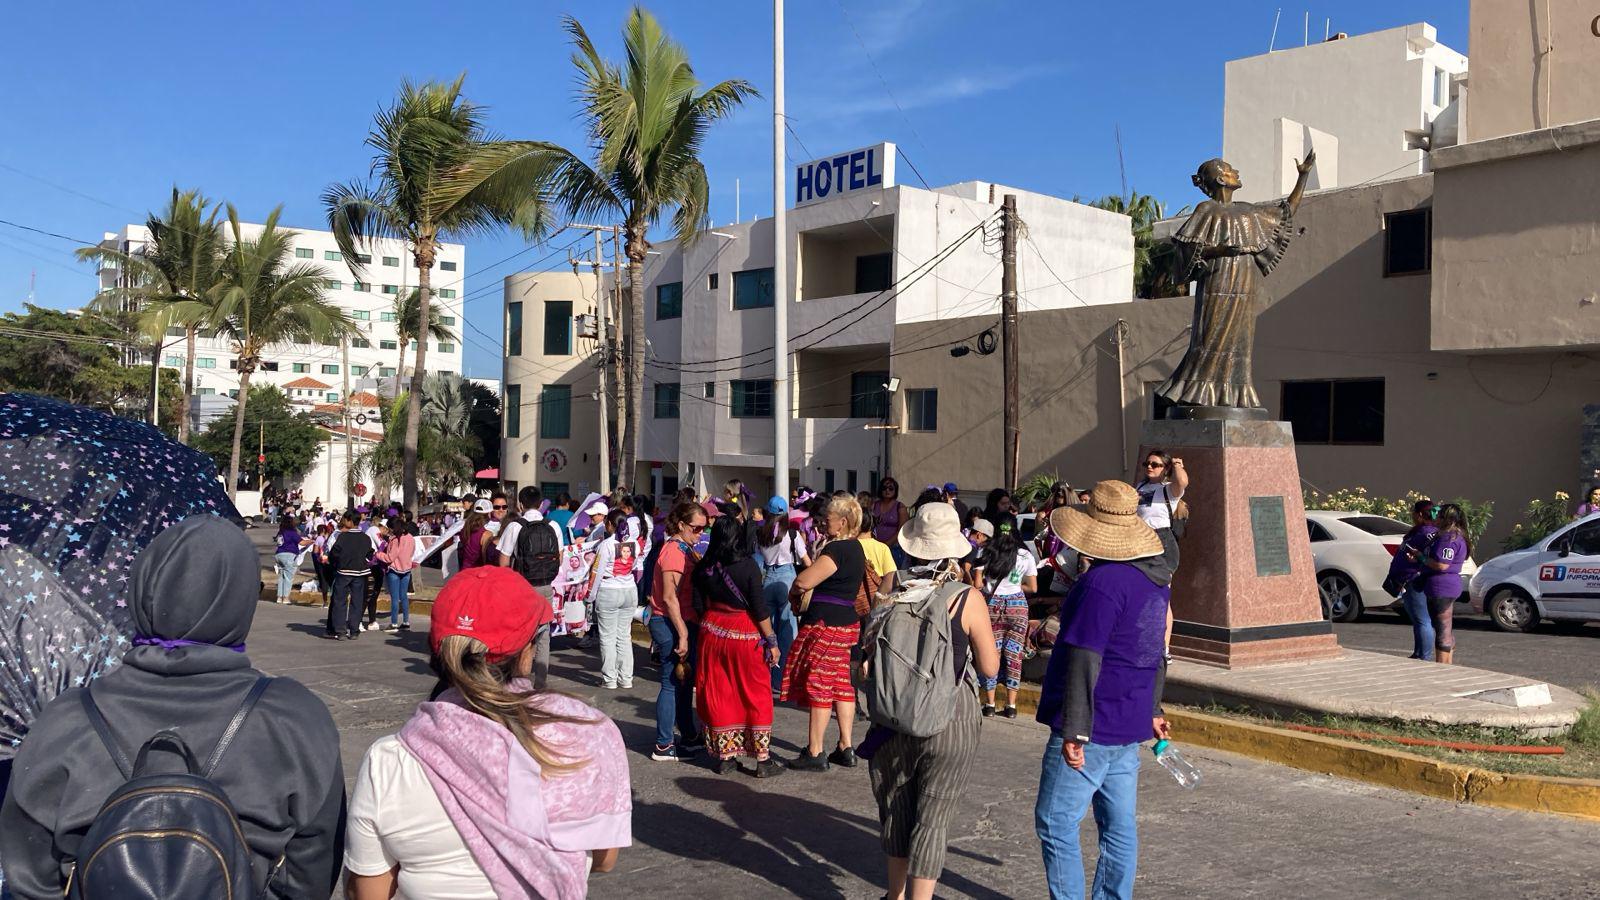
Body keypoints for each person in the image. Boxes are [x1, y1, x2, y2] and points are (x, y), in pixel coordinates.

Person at [0, 515, 345, 898]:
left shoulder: (67, 717)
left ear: (142, 589)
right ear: (242, 598)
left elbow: (30, 874)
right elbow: (312, 869)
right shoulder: (295, 716)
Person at [343, 567, 629, 899]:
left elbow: (369, 893)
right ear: (528, 651)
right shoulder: (584, 736)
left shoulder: (389, 760)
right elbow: (605, 860)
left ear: (437, 649)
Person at [1034, 481, 1173, 900]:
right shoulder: (1155, 582)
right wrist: (1152, 708)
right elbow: (1156, 651)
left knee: (1056, 821)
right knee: (1118, 829)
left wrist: (1074, 729)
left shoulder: (1102, 584)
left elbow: (1084, 657)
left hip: (1092, 723)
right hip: (1128, 723)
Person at [864, 501, 999, 900]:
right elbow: (990, 668)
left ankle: (895, 895)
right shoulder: (965, 598)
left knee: (897, 809)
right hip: (950, 718)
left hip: (892, 715)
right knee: (933, 818)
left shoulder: (890, 586)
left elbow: (868, 650)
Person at [691, 516, 784, 777]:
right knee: (755, 692)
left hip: (712, 633)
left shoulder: (703, 568)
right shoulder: (748, 567)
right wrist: (772, 641)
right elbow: (759, 607)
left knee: (720, 692)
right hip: (745, 635)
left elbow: (699, 607)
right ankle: (762, 760)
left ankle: (726, 756)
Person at [782, 493, 869, 772]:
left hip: (827, 624)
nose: (823, 523)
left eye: (828, 519)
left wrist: (795, 592)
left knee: (820, 683)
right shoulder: (857, 548)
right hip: (847, 622)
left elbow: (804, 579)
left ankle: (815, 750)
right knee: (842, 685)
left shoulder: (838, 549)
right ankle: (845, 745)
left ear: (843, 522)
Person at [650, 501, 708, 761]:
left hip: (683, 620)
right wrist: (683, 633)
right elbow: (669, 597)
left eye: (704, 529)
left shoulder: (684, 549)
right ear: (682, 525)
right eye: (696, 529)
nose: (700, 534)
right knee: (671, 682)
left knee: (684, 682)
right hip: (669, 622)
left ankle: (687, 734)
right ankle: (664, 743)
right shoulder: (673, 551)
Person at [978, 529, 1037, 718]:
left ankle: (989, 704)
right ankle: (1011, 706)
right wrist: (1015, 586)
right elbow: (1033, 587)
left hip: (992, 606)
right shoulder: (1025, 555)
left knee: (991, 654)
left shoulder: (985, 552)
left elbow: (978, 585)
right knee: (1014, 655)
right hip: (1017, 606)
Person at [1136, 448, 1188, 647]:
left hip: (1162, 542)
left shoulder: (1169, 488)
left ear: (1165, 468)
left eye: (1155, 464)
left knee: (1161, 595)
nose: (1149, 467)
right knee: (1141, 592)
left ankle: (1164, 645)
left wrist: (1177, 466)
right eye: (1147, 464)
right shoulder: (1140, 485)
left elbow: (1182, 482)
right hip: (1140, 541)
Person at [758, 497, 810, 693]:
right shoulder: (792, 534)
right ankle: (782, 682)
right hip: (787, 578)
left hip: (768, 578)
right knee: (787, 631)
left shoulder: (760, 533)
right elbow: (806, 561)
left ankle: (767, 678)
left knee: (768, 631)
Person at [589, 509, 642, 690]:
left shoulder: (606, 545)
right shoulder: (635, 543)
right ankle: (626, 678)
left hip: (609, 591)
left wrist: (590, 595)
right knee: (624, 636)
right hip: (629, 590)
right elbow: (634, 566)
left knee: (608, 637)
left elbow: (597, 572)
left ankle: (609, 679)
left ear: (610, 524)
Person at [1418, 503, 1470, 665]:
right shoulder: (1458, 536)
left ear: (1446, 518)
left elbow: (1442, 565)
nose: (1436, 518)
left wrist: (1421, 558)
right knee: (1445, 628)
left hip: (1441, 586)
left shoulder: (1448, 538)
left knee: (1442, 630)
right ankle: (1448, 665)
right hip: (1449, 585)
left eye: (1439, 515)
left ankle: (1442, 668)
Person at [329, 510, 374, 641]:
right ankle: (354, 630)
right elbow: (370, 554)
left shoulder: (343, 537)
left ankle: (341, 630)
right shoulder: (365, 538)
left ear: (349, 521)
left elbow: (334, 554)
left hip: (344, 572)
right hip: (360, 573)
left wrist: (337, 564)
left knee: (340, 601)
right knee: (357, 601)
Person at [377, 515, 418, 631]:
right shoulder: (410, 537)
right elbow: (412, 552)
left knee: (395, 598)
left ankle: (394, 623)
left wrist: (377, 554)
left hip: (394, 570)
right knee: (403, 596)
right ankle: (406, 622)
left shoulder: (395, 540)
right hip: (406, 570)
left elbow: (390, 557)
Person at [870, 478, 910, 565]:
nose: (887, 490)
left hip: (894, 548)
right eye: (884, 488)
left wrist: (887, 544)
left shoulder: (900, 507)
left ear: (895, 490)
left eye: (891, 488)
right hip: (875, 547)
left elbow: (902, 530)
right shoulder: (874, 505)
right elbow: (869, 526)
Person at [458, 500, 500, 570]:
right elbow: (486, 558)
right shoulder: (487, 534)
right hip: (477, 572)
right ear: (489, 513)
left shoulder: (465, 529)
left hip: (464, 570)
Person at [273, 515, 306, 604]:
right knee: (288, 578)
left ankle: (279, 597)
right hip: (289, 555)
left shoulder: (281, 532)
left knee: (281, 577)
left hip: (279, 554)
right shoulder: (292, 532)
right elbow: (302, 542)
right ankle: (286, 597)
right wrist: (311, 541)